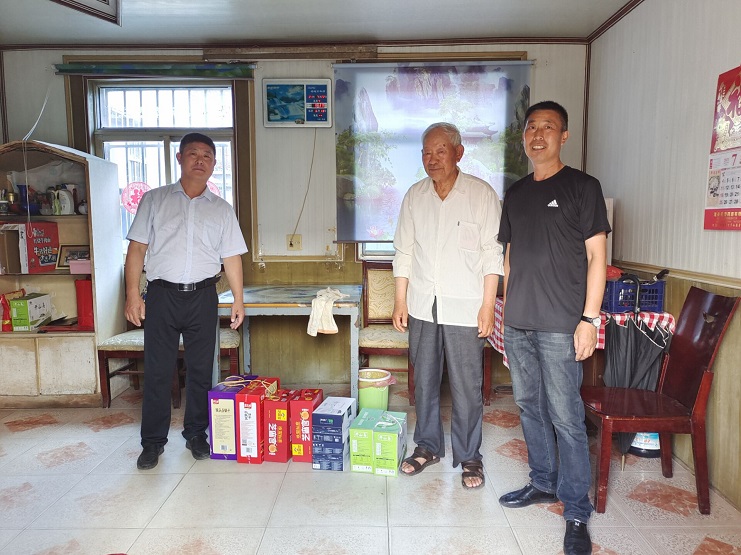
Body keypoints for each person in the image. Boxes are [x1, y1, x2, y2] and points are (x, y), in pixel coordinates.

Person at [497, 101, 611, 555]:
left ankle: (577, 509)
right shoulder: (516, 192)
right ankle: (543, 482)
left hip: (562, 324)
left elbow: (597, 257)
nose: (538, 134)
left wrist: (589, 319)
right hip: (518, 323)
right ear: (524, 136)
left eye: (548, 127)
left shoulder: (583, 187)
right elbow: (509, 258)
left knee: (566, 415)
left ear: (564, 136)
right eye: (531, 127)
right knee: (529, 405)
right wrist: (505, 312)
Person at [125, 132, 248, 470]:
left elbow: (232, 257)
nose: (200, 160)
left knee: (200, 371)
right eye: (193, 154)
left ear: (214, 164)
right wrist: (133, 294)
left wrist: (238, 300)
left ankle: (196, 434)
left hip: (203, 297)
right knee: (158, 371)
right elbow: (137, 249)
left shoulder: (222, 210)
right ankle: (152, 442)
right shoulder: (155, 200)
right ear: (179, 159)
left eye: (207, 156)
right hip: (161, 295)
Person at [392, 122, 504, 489]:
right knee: (424, 382)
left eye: (440, 151)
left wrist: (488, 305)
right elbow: (404, 252)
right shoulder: (414, 196)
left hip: (466, 306)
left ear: (458, 153)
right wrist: (400, 300)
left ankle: (470, 456)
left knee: (467, 386)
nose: (432, 159)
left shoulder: (481, 194)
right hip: (422, 304)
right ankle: (427, 446)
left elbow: (492, 255)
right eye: (426, 152)